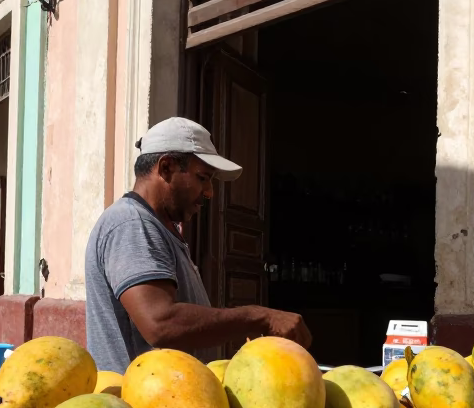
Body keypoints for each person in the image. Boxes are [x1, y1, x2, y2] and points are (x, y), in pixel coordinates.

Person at [85, 117, 311, 372]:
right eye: (203, 178)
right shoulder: (130, 223)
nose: (210, 192)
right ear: (166, 167)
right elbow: (161, 323)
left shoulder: (159, 227)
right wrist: (260, 317)